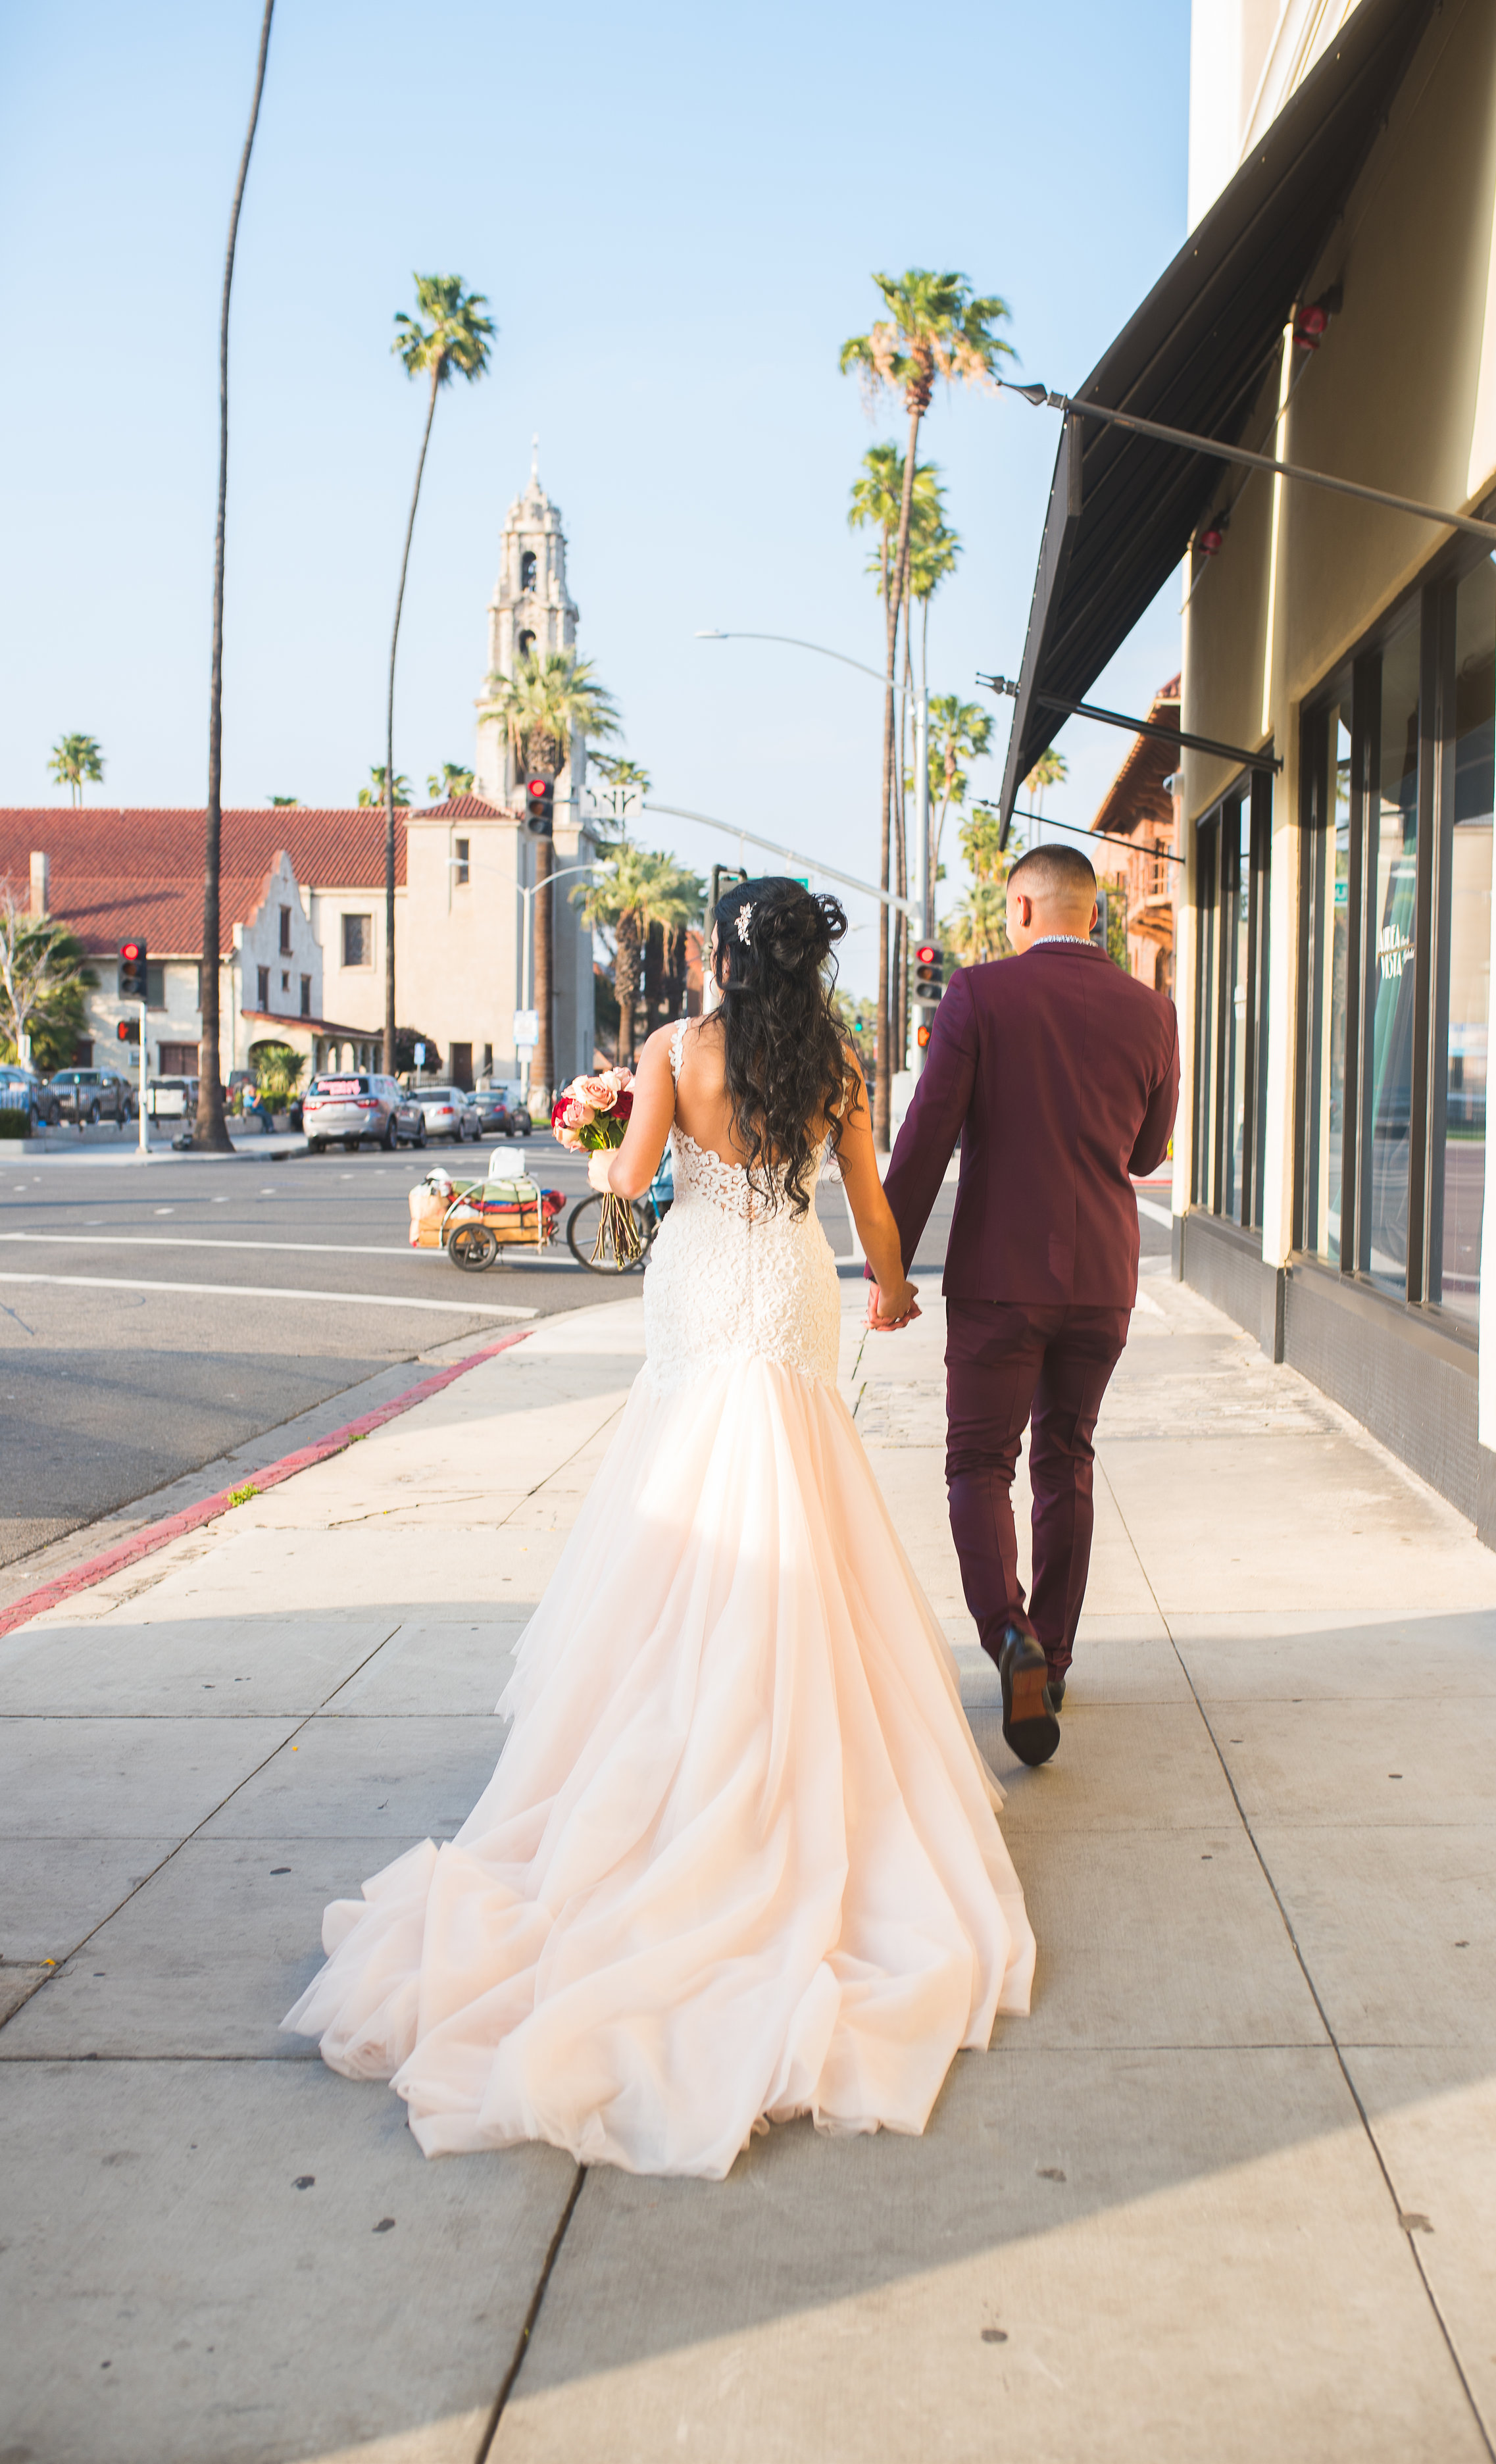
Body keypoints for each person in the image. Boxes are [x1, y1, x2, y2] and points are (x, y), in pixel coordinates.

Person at [284, 876, 1034, 2179]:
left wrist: (598, 1139)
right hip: (788, 1278)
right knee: (798, 1474)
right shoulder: (842, 1059)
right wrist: (896, 1294)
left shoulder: (674, 1049)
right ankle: (790, 1738)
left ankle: (673, 1737)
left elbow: (629, 1187)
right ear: (807, 959)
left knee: (689, 1481)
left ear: (719, 952)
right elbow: (867, 1209)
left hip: (702, 1281)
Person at [868, 841, 1178, 1767]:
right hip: (1102, 1278)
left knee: (978, 1463)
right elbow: (1147, 1154)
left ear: (1022, 909)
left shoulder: (979, 996)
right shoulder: (1151, 1010)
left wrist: (892, 1270)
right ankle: (1057, 1651)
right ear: (1095, 915)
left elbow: (926, 1139)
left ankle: (1010, 1638)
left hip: (1002, 1276)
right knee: (1068, 1457)